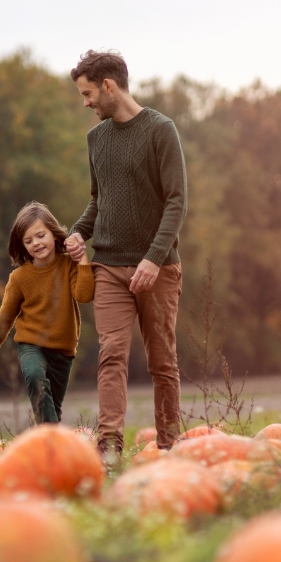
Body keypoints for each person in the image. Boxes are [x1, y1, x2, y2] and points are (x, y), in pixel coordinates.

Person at [65, 50, 187, 461]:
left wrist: (153, 258)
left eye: (88, 93)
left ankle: (169, 444)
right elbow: (99, 200)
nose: (86, 103)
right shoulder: (95, 139)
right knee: (111, 354)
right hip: (109, 267)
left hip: (159, 268)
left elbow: (176, 201)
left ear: (109, 86)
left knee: (161, 360)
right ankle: (110, 445)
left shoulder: (160, 130)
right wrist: (78, 233)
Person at [0, 202, 94, 425]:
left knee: (53, 409)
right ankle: (49, 434)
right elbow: (5, 317)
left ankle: (48, 445)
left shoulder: (69, 265)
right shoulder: (19, 278)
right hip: (31, 345)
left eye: (40, 236)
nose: (36, 243)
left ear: (53, 233)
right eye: (28, 241)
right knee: (34, 377)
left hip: (64, 350)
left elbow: (84, 296)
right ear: (22, 245)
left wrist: (83, 261)